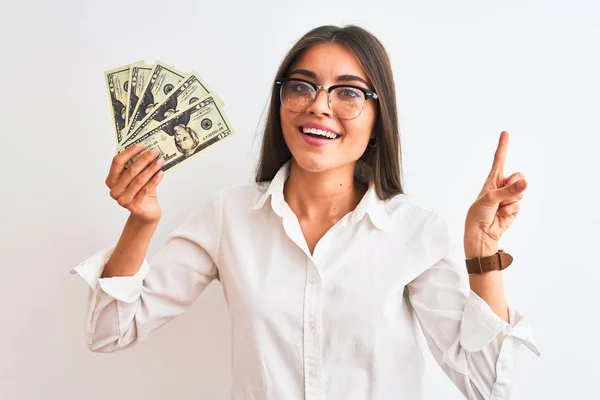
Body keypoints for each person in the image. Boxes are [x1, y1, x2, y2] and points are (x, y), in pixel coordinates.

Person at [72, 25, 539, 399]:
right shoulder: (226, 216)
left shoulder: (414, 230)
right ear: (281, 104)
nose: (319, 106)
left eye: (348, 93)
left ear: (379, 120)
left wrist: (483, 254)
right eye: (302, 87)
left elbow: (488, 388)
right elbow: (110, 332)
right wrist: (142, 219)